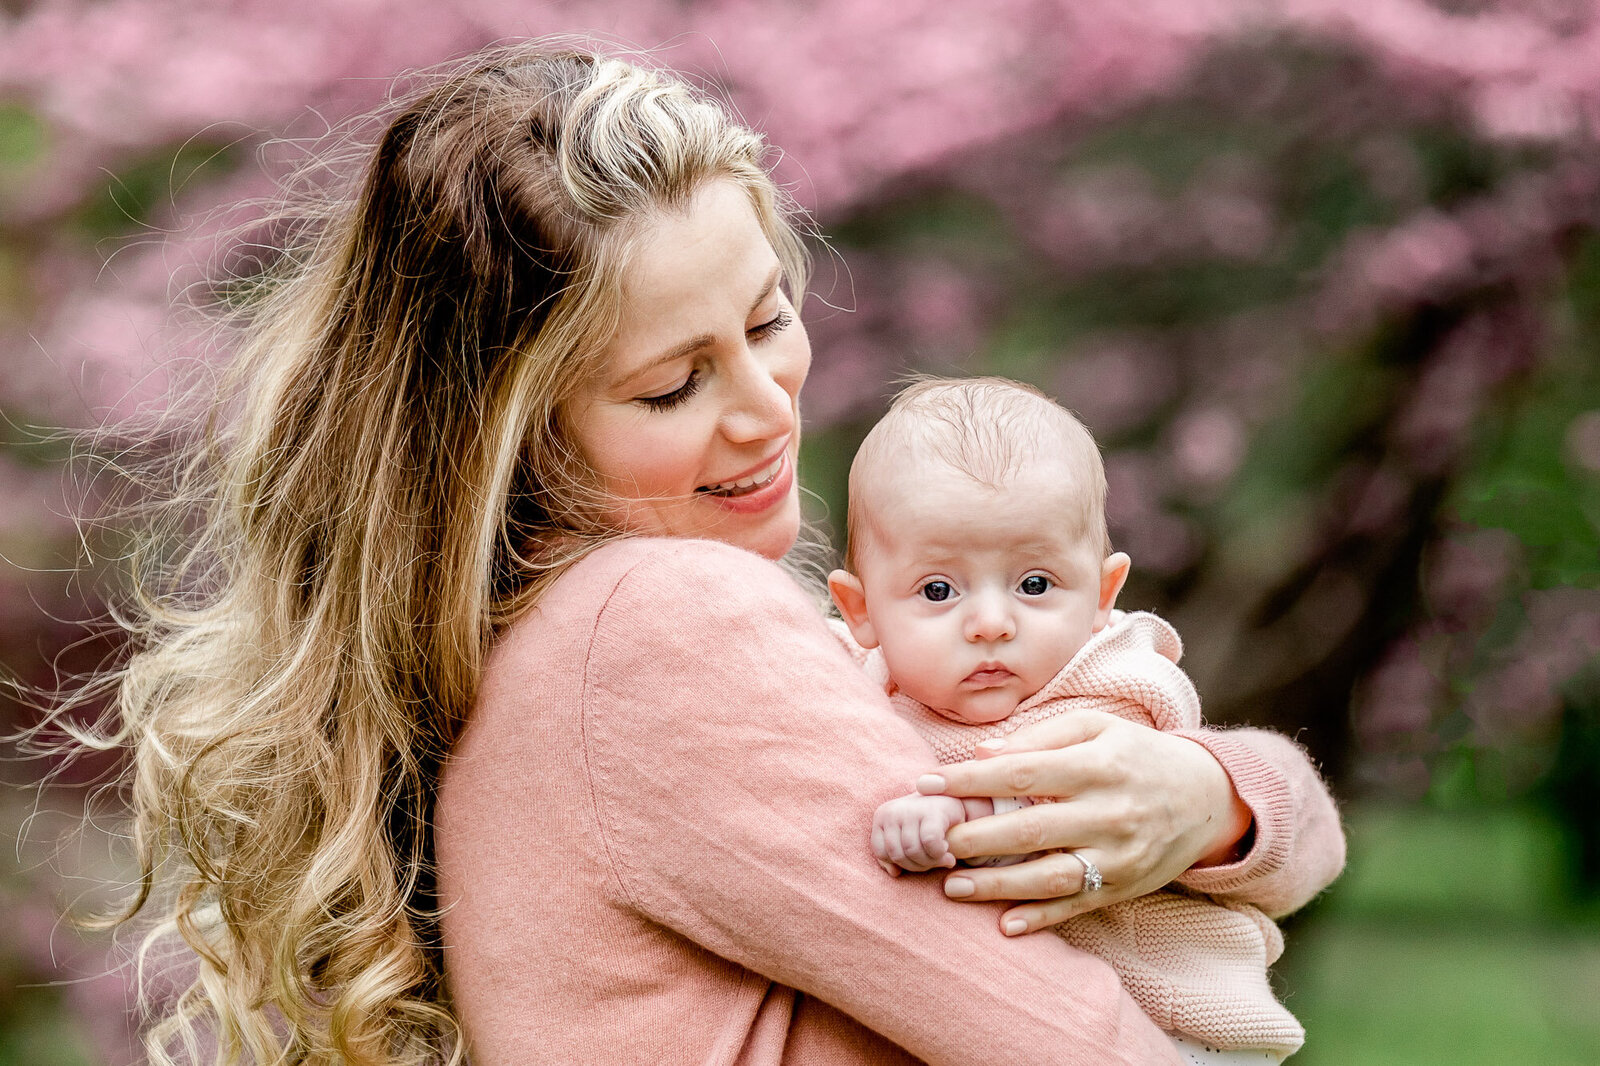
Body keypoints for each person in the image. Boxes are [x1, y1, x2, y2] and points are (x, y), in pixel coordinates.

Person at [85, 41, 1345, 1066]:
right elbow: (1073, 1035)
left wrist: (1215, 800)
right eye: (674, 385)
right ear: (516, 437)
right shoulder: (662, 621)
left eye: (767, 319)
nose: (765, 408)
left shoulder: (537, 637)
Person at [828, 378, 1336, 1064]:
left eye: (1034, 584)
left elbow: (1092, 780)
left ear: (1103, 594)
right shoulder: (861, 680)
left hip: (1184, 1032)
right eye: (938, 590)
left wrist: (963, 809)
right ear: (860, 612)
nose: (990, 623)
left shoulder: (1110, 673)